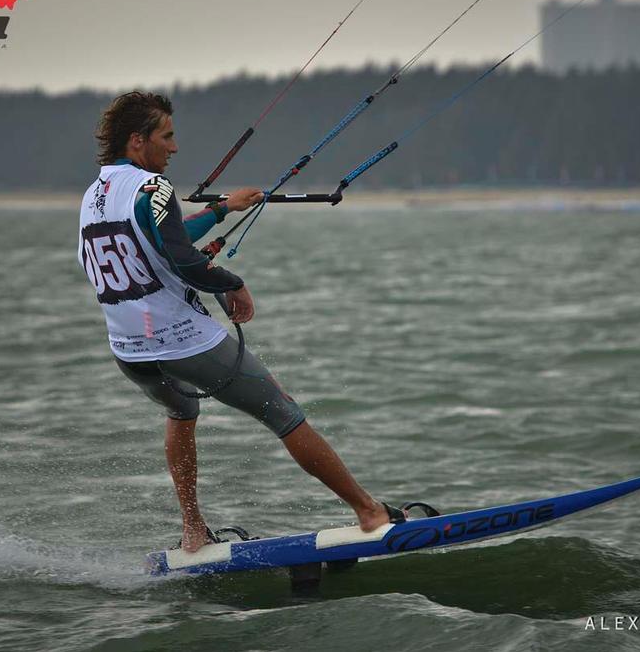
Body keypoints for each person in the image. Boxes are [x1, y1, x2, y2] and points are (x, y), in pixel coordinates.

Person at [78, 91, 403, 552]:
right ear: (137, 141)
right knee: (282, 409)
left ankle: (192, 531)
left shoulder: (94, 195)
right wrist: (231, 283)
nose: (173, 149)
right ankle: (369, 513)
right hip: (180, 340)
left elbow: (157, 239)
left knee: (181, 411)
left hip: (130, 348)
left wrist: (222, 210)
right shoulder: (153, 189)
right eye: (166, 137)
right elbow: (179, 257)